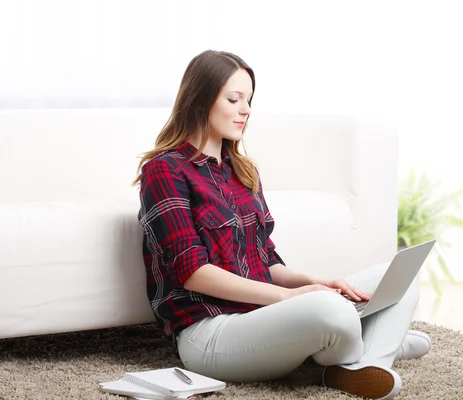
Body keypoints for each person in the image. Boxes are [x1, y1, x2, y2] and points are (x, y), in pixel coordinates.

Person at [134, 50, 431, 400]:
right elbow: (194, 273)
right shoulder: (165, 170)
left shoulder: (243, 170)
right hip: (210, 332)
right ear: (200, 99)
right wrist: (291, 298)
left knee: (398, 276)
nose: (246, 109)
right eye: (234, 99)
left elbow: (265, 260)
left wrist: (314, 282)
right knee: (330, 310)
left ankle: (363, 362)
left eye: (249, 100)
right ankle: (375, 341)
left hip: (265, 315)